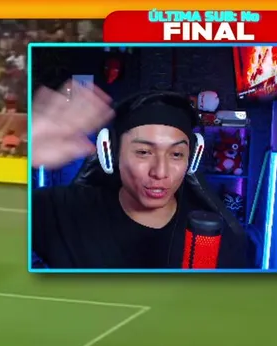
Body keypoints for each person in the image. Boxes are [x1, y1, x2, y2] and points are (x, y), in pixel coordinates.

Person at [29, 84, 254, 270]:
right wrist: (28, 150)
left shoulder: (217, 242)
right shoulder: (59, 211)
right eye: (144, 152)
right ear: (111, 152)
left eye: (176, 154)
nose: (160, 172)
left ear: (192, 158)